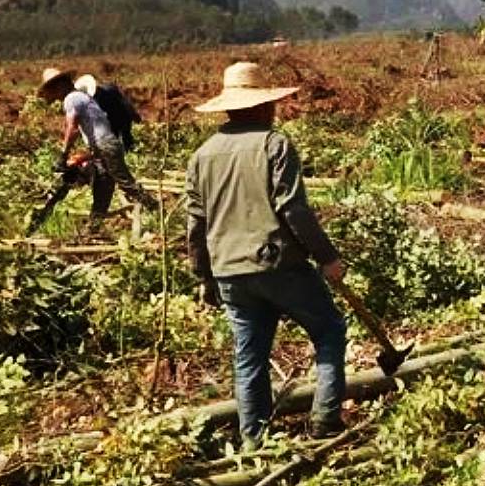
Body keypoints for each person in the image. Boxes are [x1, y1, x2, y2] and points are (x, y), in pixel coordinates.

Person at [185, 61, 349, 447]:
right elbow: (294, 210)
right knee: (329, 330)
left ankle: (253, 440)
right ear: (263, 105)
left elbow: (195, 228)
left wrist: (204, 277)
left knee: (249, 356)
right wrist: (327, 258)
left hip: (229, 272)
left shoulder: (202, 156)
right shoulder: (274, 144)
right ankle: (325, 420)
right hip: (278, 264)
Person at [29, 67, 155, 234]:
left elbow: (72, 128)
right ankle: (93, 227)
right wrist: (83, 156)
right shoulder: (81, 97)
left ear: (60, 86)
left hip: (105, 146)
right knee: (103, 185)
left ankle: (157, 209)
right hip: (104, 146)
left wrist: (64, 154)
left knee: (126, 184)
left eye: (52, 90)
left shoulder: (71, 99)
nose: (54, 95)